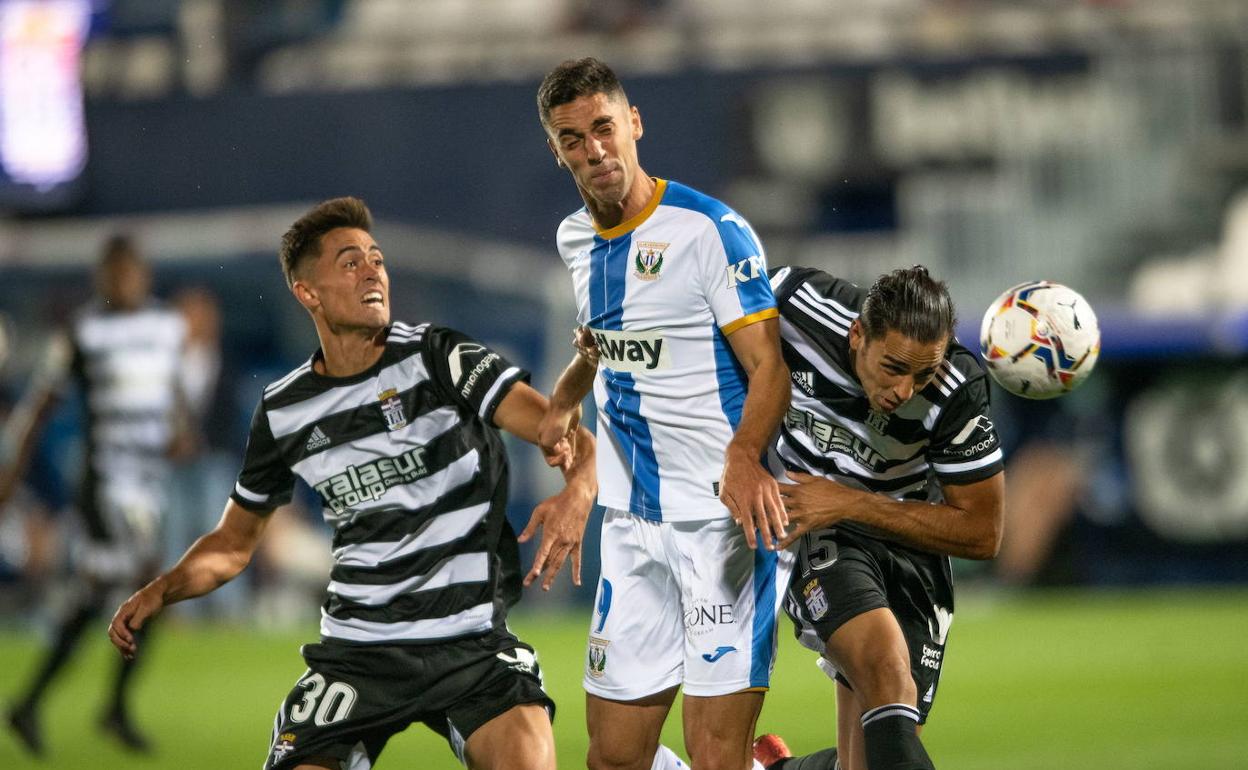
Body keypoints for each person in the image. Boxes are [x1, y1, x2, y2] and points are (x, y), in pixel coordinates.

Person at [107, 197, 596, 770]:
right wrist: (160, 590)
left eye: (376, 259)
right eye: (349, 262)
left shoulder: (436, 356)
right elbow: (234, 543)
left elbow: (555, 426)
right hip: (357, 653)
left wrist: (580, 490)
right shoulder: (284, 409)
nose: (372, 272)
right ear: (307, 292)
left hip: (469, 644)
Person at [535, 58, 793, 770]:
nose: (595, 150)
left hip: (720, 527)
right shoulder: (574, 241)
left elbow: (770, 368)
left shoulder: (710, 230)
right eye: (573, 138)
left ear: (634, 124)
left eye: (604, 128)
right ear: (556, 151)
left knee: (715, 756)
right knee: (613, 760)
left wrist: (743, 459)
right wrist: (565, 398)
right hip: (631, 530)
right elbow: (602, 340)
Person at [751, 265, 1006, 770]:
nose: (905, 391)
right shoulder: (794, 304)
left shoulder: (956, 390)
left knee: (867, 760)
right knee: (887, 671)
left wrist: (849, 502)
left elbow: (983, 533)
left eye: (923, 374)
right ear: (857, 334)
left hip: (900, 532)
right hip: (813, 523)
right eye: (893, 367)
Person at [2, 235, 190, 756]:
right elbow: (41, 405)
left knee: (125, 592)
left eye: (131, 272)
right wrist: (11, 474)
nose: (124, 283)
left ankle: (42, 704)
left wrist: (183, 426)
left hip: (148, 483)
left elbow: (172, 390)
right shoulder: (82, 332)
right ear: (102, 279)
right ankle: (97, 707)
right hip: (105, 481)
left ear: (143, 274)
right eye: (114, 274)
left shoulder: (165, 327)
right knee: (138, 586)